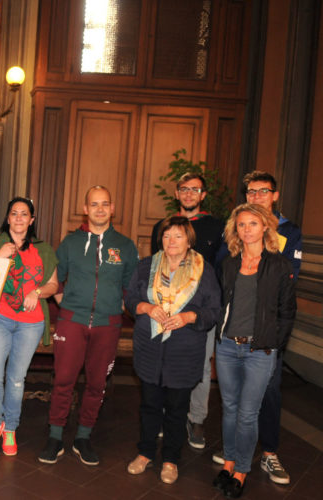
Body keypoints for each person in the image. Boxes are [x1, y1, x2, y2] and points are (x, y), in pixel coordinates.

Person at [212, 171, 302, 486]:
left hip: (259, 349)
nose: (247, 229)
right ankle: (229, 461)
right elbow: (222, 304)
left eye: (253, 223)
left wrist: (273, 343)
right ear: (234, 230)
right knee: (229, 408)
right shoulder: (229, 264)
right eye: (241, 224)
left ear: (265, 226)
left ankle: (241, 472)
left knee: (249, 413)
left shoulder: (278, 265)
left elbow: (288, 310)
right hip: (226, 348)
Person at [38, 185, 139, 466]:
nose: (99, 209)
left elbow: (131, 289)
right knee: (63, 381)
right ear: (85, 208)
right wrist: (66, 305)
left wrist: (112, 310)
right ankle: (55, 436)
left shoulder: (126, 246)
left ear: (112, 208)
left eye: (104, 204)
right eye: (94, 204)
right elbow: (55, 281)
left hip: (107, 326)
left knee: (96, 384)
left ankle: (83, 436)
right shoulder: (70, 243)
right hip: (72, 322)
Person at [125, 216, 220, 484]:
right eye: (167, 236)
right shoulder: (146, 266)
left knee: (178, 410)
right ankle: (144, 454)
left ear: (189, 240)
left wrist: (188, 317)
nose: (171, 242)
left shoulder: (205, 270)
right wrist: (147, 308)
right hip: (150, 348)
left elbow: (213, 311)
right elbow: (131, 298)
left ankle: (170, 460)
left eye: (178, 236)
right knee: (149, 405)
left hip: (184, 350)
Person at [0, 197, 58, 458]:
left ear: (32, 220)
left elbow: (53, 285)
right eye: (15, 213)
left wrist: (37, 291)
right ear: (8, 217)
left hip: (31, 323)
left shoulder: (43, 249)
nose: (20, 218)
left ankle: (10, 428)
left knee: (15, 379)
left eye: (25, 214)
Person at [151, 172, 223, 450]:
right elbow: (156, 266)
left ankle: (197, 419)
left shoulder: (217, 226)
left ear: (203, 195)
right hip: (167, 307)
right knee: (166, 362)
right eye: (184, 189)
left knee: (201, 366)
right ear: (177, 193)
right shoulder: (163, 225)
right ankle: (169, 416)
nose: (189, 194)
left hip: (200, 310)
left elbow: (219, 269)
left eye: (195, 189)